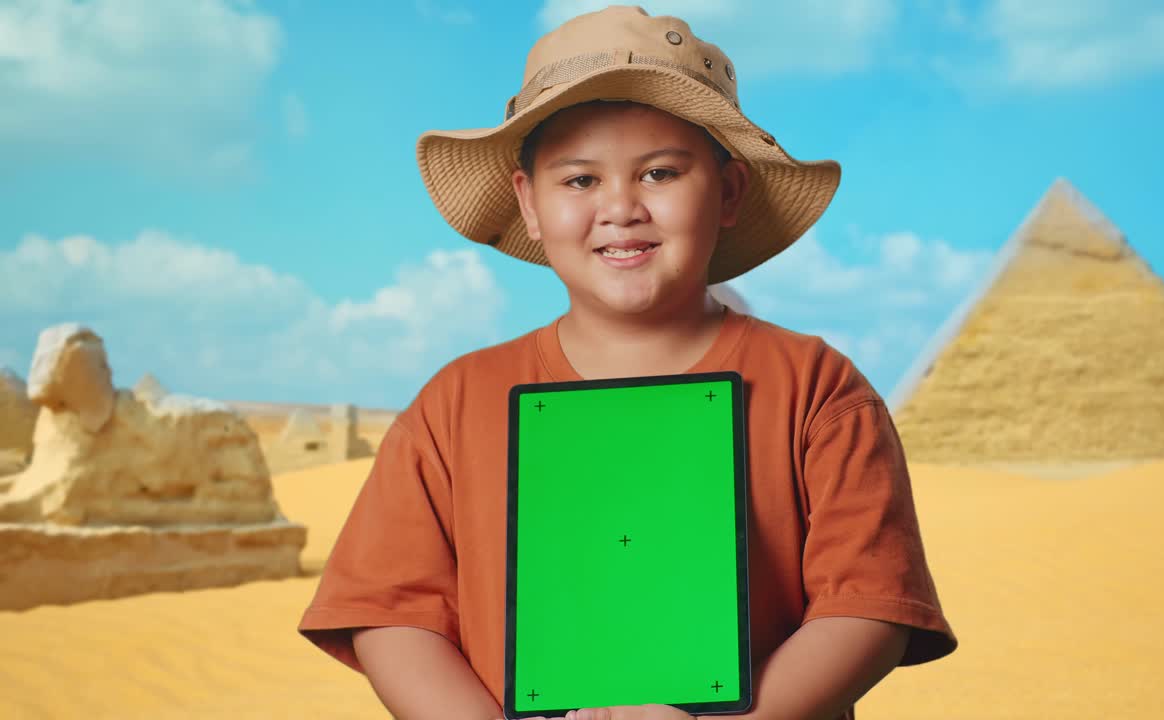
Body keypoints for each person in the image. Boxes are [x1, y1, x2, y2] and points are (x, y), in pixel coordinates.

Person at [297, 6, 957, 719]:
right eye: (579, 181)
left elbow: (870, 605)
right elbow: (391, 613)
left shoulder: (819, 389)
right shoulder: (454, 403)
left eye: (661, 173)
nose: (620, 208)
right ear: (529, 203)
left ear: (729, 191)